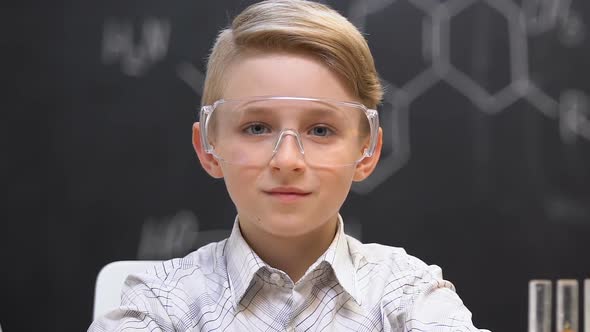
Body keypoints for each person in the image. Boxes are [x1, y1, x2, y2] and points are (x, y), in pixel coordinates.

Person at [89, 1, 489, 331]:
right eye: (257, 127)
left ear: (367, 152)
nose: (287, 160)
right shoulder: (157, 304)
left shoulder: (407, 294)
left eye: (320, 129)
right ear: (208, 146)